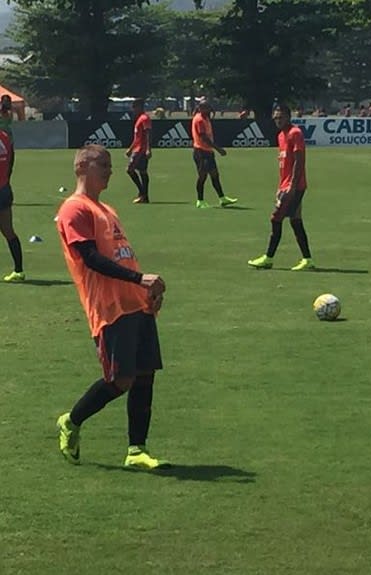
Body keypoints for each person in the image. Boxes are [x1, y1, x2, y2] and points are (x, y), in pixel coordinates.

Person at [55, 144, 170, 470]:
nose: (109, 170)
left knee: (145, 375)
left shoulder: (107, 209)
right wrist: (139, 278)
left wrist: (146, 290)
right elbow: (90, 260)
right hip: (109, 306)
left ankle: (136, 451)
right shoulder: (74, 210)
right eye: (102, 164)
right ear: (82, 167)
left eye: (109, 164)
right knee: (120, 380)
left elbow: (122, 254)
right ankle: (71, 420)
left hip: (135, 302)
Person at [248, 104, 314, 271]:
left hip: (295, 186)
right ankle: (308, 260)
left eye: (281, 117)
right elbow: (284, 164)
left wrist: (291, 185)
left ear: (288, 117)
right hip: (286, 185)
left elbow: (299, 161)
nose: (278, 120)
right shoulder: (281, 136)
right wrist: (280, 186)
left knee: (275, 218)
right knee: (296, 221)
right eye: (276, 118)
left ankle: (268, 258)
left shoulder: (295, 133)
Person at [191, 100, 237, 208]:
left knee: (215, 175)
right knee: (202, 176)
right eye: (207, 108)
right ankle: (200, 200)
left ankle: (222, 198)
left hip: (208, 152)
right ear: (201, 108)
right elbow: (204, 137)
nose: (209, 110)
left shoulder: (206, 117)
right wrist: (218, 149)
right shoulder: (199, 120)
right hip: (201, 151)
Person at [0, 127, 23, 282]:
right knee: (9, 231)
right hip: (4, 188)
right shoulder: (6, 137)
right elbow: (11, 162)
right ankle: (19, 270)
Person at [125, 98, 152, 204]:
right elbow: (137, 138)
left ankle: (142, 193)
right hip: (137, 148)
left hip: (141, 150)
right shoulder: (140, 118)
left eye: (134, 107)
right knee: (142, 171)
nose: (133, 109)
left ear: (140, 107)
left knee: (130, 169)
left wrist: (148, 149)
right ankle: (144, 196)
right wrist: (130, 149)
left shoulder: (145, 118)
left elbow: (148, 134)